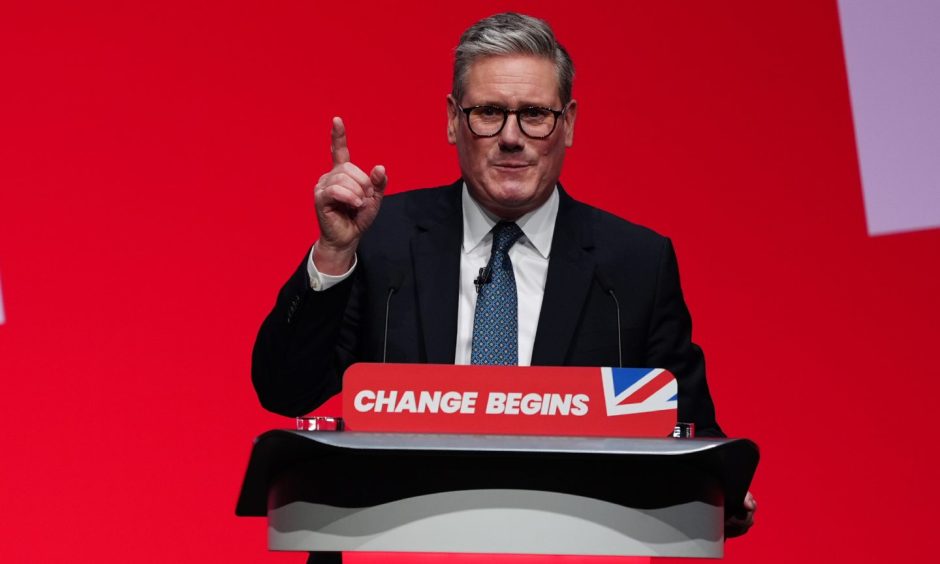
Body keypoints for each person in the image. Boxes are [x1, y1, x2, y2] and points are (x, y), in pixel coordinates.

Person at [252, 12, 755, 535]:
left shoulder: (634, 264)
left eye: (535, 114)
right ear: (452, 119)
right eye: (489, 112)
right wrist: (334, 254)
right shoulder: (379, 238)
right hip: (391, 541)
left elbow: (691, 435)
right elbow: (284, 390)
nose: (511, 137)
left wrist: (720, 492)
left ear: (570, 123)